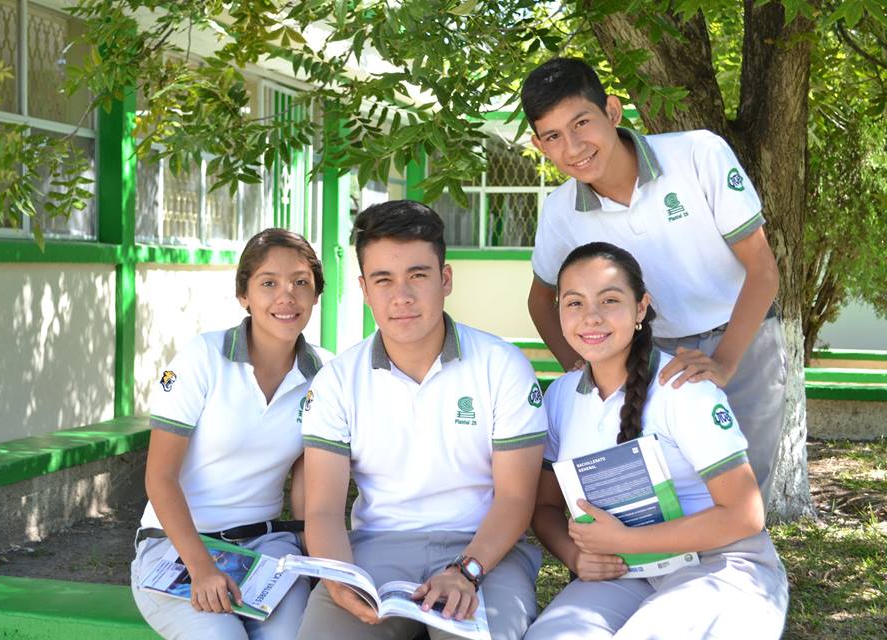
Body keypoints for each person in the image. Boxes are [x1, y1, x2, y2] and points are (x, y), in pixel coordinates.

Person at [522, 57, 786, 502]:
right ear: (539, 144)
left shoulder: (698, 154)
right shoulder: (560, 210)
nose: (573, 146)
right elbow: (540, 300)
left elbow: (763, 270)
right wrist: (584, 367)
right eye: (553, 136)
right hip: (646, 355)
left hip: (743, 339)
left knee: (743, 498)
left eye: (582, 123)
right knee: (657, 499)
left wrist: (724, 362)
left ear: (612, 111)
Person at [296, 200, 548, 640]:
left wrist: (466, 571)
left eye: (418, 275)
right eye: (383, 280)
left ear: (445, 279)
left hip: (485, 551)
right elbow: (322, 510)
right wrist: (339, 580)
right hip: (376, 553)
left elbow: (515, 499)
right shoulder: (337, 379)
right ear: (364, 289)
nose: (402, 297)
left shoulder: (502, 365)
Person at [525, 242, 788, 639]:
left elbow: (745, 514)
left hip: (719, 564)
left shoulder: (683, 387)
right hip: (625, 570)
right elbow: (544, 507)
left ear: (640, 308)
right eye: (574, 303)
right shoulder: (561, 397)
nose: (591, 317)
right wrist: (575, 555)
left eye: (609, 300)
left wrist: (626, 538)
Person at [130, 228, 331, 640]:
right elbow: (160, 478)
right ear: (243, 295)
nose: (286, 296)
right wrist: (202, 568)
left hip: (267, 548)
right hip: (176, 546)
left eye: (300, 283)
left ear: (316, 295)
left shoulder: (325, 374)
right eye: (269, 283)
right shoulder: (202, 357)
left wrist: (319, 566)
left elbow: (306, 488)